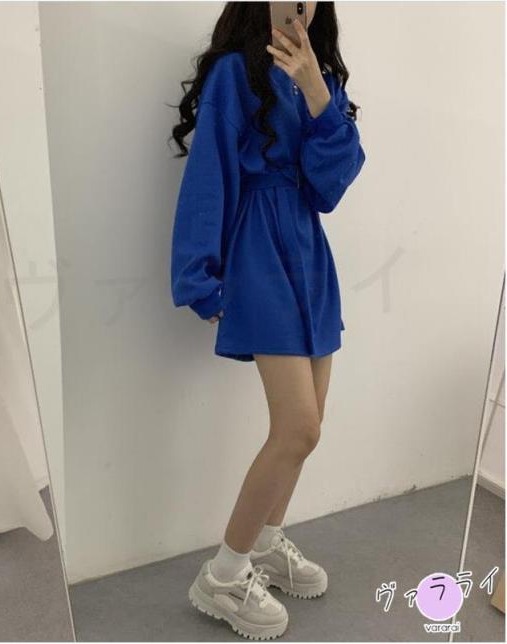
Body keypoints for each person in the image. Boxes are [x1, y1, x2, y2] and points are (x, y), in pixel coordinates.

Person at [169, 1, 366, 640]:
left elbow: (329, 189)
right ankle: (224, 574)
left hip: (308, 252)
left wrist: (316, 93)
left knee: (311, 426)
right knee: (297, 427)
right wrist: (199, 276)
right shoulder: (234, 73)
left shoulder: (321, 79)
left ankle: (267, 542)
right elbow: (209, 174)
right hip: (258, 251)